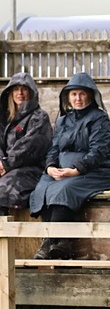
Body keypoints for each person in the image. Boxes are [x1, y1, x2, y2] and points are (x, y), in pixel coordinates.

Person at [29, 72, 110, 260]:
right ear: (67, 97)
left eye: (81, 94)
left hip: (96, 172)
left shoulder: (99, 119)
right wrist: (50, 167)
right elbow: (54, 148)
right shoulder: (63, 119)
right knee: (43, 186)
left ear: (90, 95)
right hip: (65, 171)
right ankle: (62, 244)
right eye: (73, 94)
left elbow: (99, 151)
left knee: (64, 188)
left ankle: (49, 241)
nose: (77, 98)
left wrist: (76, 170)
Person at [0, 72, 52, 217]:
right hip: (6, 168)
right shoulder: (4, 118)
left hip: (33, 170)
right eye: (16, 89)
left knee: (3, 189)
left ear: (31, 92)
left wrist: (6, 164)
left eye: (24, 89)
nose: (20, 93)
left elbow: (29, 147)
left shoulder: (40, 117)